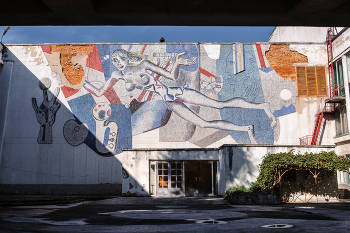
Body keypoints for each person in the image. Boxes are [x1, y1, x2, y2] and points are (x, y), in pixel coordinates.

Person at [84, 49, 277, 144]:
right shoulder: (118, 75)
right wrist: (86, 83)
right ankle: (246, 128)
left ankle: (263, 106)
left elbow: (169, 76)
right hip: (169, 102)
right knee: (203, 123)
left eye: (120, 58)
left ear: (127, 57)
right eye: (115, 60)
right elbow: (101, 92)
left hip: (177, 93)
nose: (117, 62)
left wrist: (177, 62)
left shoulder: (143, 65)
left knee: (220, 105)